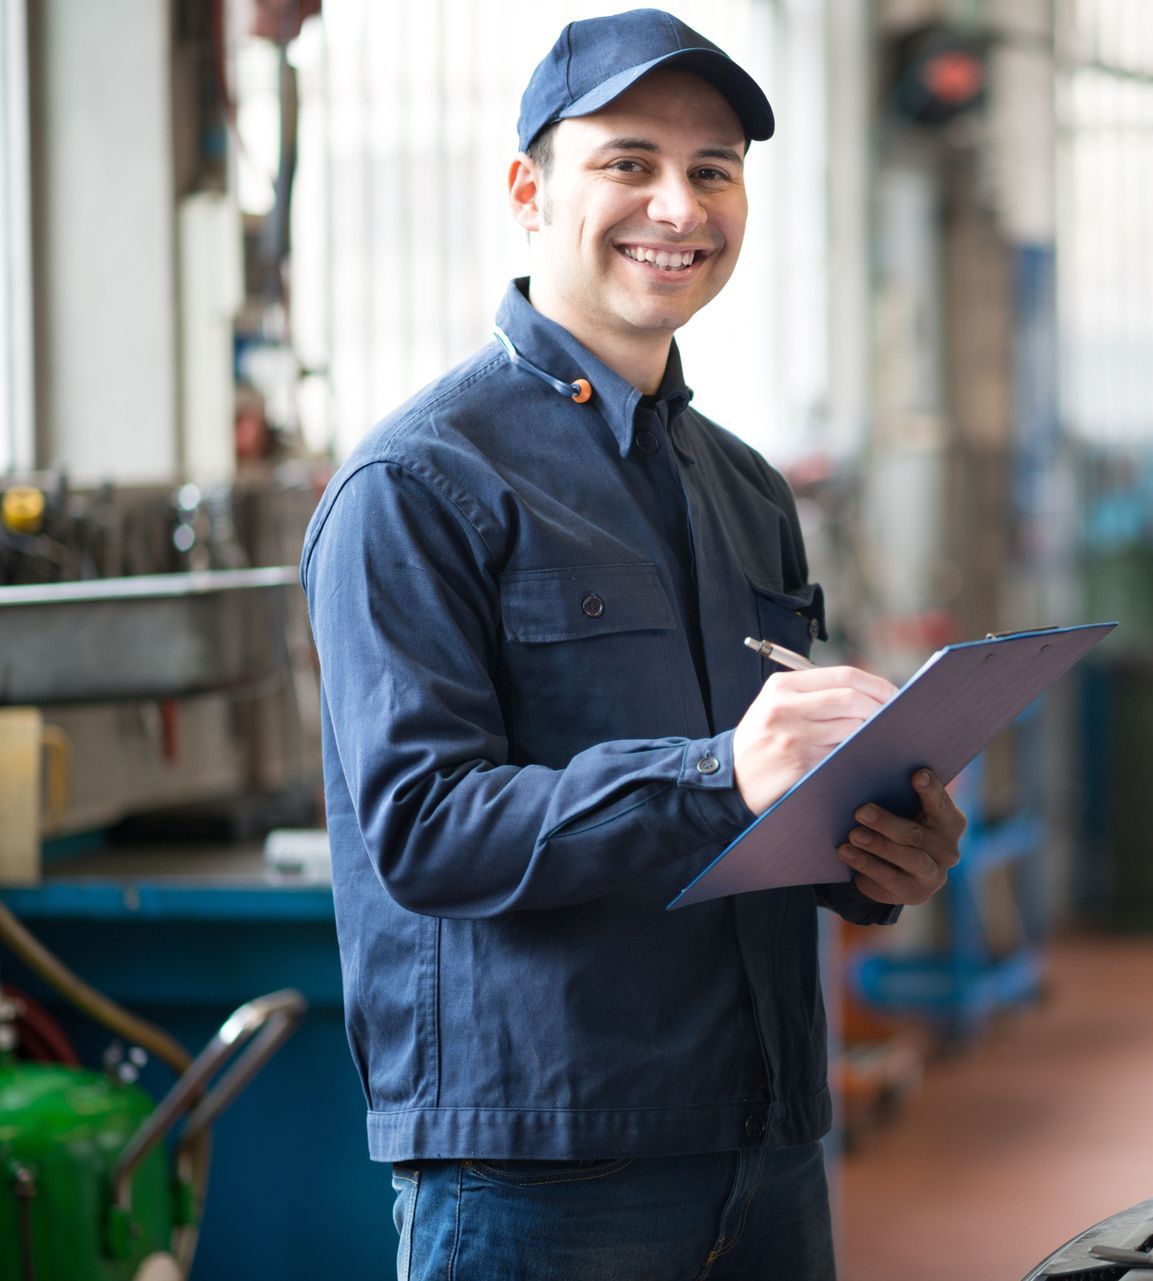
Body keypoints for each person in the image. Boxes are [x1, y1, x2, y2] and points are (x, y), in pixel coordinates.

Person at [299, 11, 964, 1278]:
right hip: (543, 1168)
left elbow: (768, 809)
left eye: (714, 170)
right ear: (529, 192)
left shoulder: (748, 491)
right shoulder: (418, 485)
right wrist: (722, 773)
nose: (680, 203)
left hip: (765, 1142)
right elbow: (425, 829)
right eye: (629, 162)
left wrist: (878, 854)